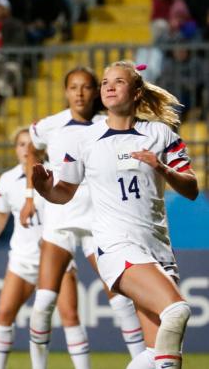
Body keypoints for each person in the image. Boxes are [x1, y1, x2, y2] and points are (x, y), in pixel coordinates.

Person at [32, 61, 198, 369]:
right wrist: (44, 190)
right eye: (106, 81)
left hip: (158, 248)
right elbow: (63, 192)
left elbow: (192, 188)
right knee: (177, 311)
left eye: (119, 82)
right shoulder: (84, 139)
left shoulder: (161, 134)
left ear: (136, 93)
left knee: (159, 355)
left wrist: (162, 168)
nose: (109, 86)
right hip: (116, 246)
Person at [22, 67, 146, 369]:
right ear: (66, 91)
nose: (79, 93)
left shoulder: (108, 124)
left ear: (95, 92)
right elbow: (30, 150)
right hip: (59, 219)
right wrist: (29, 196)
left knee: (120, 301)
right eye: (73, 87)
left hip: (98, 221)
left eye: (86, 87)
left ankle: (145, 363)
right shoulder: (49, 126)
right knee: (42, 306)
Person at [0, 129, 87, 369]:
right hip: (23, 260)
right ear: (15, 149)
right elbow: (0, 216)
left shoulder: (56, 176)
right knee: (3, 316)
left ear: (40, 149)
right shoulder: (7, 180)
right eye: (21, 144)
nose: (26, 149)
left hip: (56, 257)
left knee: (70, 317)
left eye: (31, 144)